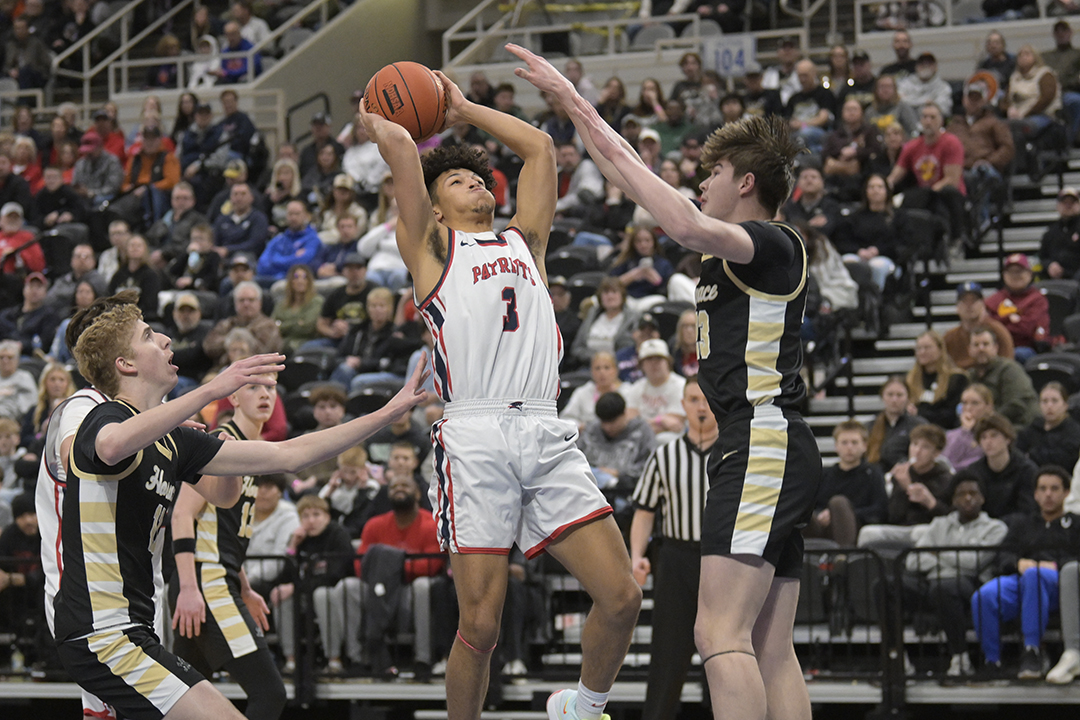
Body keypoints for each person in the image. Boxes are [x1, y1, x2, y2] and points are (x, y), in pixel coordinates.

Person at [511, 44, 821, 720]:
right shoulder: (735, 248)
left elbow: (678, 220)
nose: (701, 181)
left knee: (719, 634)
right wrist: (583, 118)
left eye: (714, 172)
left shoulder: (772, 243)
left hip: (762, 438)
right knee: (769, 646)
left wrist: (577, 102)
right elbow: (629, 171)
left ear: (746, 182)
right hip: (769, 444)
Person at [359, 63, 641, 720]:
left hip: (544, 428)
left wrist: (461, 109)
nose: (477, 183)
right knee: (481, 625)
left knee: (622, 597)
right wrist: (379, 114)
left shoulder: (525, 242)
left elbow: (539, 148)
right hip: (476, 433)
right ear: (433, 207)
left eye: (480, 178)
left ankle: (583, 709)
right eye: (458, 180)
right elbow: (399, 145)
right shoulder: (430, 249)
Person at [52, 289, 428, 719]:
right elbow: (112, 446)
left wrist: (387, 413)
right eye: (149, 336)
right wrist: (211, 390)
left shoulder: (175, 441)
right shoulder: (103, 417)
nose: (166, 340)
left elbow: (287, 457)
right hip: (102, 631)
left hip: (134, 627)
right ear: (126, 364)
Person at [169, 372, 287, 720]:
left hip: (217, 576)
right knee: (270, 694)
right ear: (233, 398)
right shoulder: (221, 442)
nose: (264, 394)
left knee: (185, 702)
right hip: (205, 582)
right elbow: (182, 515)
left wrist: (244, 586)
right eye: (253, 387)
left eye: (270, 388)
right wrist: (189, 588)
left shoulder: (251, 450)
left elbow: (225, 533)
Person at [629, 376, 716, 720]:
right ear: (682, 405)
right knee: (668, 650)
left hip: (724, 560)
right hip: (677, 559)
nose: (701, 406)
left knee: (726, 648)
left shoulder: (736, 454)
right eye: (693, 399)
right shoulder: (664, 455)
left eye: (706, 399)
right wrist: (636, 556)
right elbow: (644, 512)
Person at [971, 465, 1080, 679]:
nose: (1048, 494)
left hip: (1060, 583)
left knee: (1034, 576)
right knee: (984, 596)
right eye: (1043, 489)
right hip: (1022, 579)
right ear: (1035, 494)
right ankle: (992, 660)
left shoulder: (1076, 524)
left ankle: (1032, 650)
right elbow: (1003, 555)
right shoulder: (1022, 522)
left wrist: (1055, 565)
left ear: (1066, 493)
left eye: (1054, 489)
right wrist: (1017, 562)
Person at [902, 473, 1008, 677]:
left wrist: (936, 552)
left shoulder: (995, 528)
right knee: (885, 585)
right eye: (961, 494)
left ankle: (961, 657)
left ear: (982, 498)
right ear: (953, 500)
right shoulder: (938, 524)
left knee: (944, 586)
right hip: (931, 582)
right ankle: (896, 656)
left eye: (973, 493)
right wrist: (953, 557)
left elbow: (973, 564)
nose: (968, 498)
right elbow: (913, 561)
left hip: (970, 585)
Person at [857, 423, 953, 549]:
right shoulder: (902, 473)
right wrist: (902, 488)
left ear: (936, 453)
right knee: (868, 533)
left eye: (925, 447)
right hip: (900, 528)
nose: (917, 451)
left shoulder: (944, 477)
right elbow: (894, 515)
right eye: (914, 444)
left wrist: (930, 502)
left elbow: (948, 517)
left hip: (927, 527)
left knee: (920, 532)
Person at [887, 103, 967, 243]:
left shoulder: (951, 143)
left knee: (947, 193)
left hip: (946, 196)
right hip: (925, 195)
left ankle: (955, 240)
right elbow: (895, 175)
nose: (928, 121)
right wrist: (884, 188)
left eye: (932, 117)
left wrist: (927, 193)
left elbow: (952, 180)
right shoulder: (912, 146)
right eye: (924, 117)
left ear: (941, 121)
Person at [804, 420, 888, 546]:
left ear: (865, 446)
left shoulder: (873, 473)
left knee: (838, 503)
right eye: (844, 442)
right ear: (836, 446)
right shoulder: (824, 474)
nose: (849, 447)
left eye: (854, 442)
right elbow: (813, 504)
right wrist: (821, 514)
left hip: (858, 526)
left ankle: (844, 554)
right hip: (823, 526)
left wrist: (841, 514)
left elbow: (880, 509)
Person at [966, 412, 1039, 524]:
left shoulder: (1027, 470)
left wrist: (995, 526)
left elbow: (1027, 511)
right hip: (981, 529)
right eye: (983, 437)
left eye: (994, 435)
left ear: (1007, 439)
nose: (988, 442)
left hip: (1015, 528)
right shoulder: (974, 471)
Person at [967, 327, 1039, 428]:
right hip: (985, 428)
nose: (981, 349)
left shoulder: (1009, 369)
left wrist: (986, 421)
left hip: (1020, 425)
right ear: (969, 350)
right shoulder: (970, 376)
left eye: (985, 344)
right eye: (976, 345)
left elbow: (1016, 405)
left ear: (995, 348)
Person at [984, 253, 1049, 362]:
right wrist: (1010, 318)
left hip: (1025, 349)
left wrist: (1001, 321)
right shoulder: (994, 299)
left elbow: (1028, 329)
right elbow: (987, 326)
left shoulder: (1038, 300)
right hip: (996, 348)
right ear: (1004, 275)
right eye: (1011, 272)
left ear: (1030, 274)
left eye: (1019, 271)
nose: (1015, 275)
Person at [944, 281, 1015, 369]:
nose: (969, 305)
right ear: (957, 307)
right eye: (964, 301)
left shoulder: (998, 332)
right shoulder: (949, 338)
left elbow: (1009, 366)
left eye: (974, 300)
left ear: (983, 304)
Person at [907, 330, 967, 429]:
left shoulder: (956, 379)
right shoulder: (910, 380)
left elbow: (952, 414)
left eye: (927, 347)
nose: (922, 352)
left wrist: (920, 413)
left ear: (940, 349)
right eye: (919, 348)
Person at [1017, 382, 1080, 475]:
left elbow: (1064, 460)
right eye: (1045, 401)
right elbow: (1018, 453)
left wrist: (1032, 455)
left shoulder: (1074, 431)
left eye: (1055, 401)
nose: (1049, 406)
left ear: (1065, 405)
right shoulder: (1032, 428)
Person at [866, 376, 927, 473]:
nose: (894, 399)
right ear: (882, 397)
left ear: (908, 398)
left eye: (899, 395)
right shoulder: (870, 426)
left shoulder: (918, 425)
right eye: (890, 394)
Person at [561, 351, 625, 431]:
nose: (602, 372)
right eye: (597, 368)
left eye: (607, 368)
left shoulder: (627, 391)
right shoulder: (582, 392)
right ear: (591, 372)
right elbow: (566, 419)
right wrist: (580, 426)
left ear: (616, 370)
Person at [0, 272, 60, 356]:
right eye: (31, 286)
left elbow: (44, 343)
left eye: (39, 287)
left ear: (45, 292)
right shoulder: (7, 315)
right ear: (24, 289)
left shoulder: (49, 316)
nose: (34, 291)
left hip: (29, 357)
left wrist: (22, 346)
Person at [1042, 20, 1080, 147]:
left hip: (1068, 91)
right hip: (1048, 93)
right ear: (1054, 35)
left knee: (1075, 101)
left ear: (1070, 33)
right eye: (1057, 31)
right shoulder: (1045, 56)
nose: (1061, 34)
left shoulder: (1077, 54)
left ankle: (1070, 140)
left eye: (1064, 30)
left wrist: (1066, 82)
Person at [942, 383, 996, 471]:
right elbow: (947, 463)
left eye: (975, 403)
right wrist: (965, 431)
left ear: (988, 407)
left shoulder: (993, 435)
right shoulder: (951, 435)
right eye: (964, 403)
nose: (968, 408)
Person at [1040, 187, 1080, 280]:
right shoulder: (1051, 232)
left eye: (1072, 203)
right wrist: (1049, 265)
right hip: (1055, 279)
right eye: (1065, 203)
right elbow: (1042, 256)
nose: (1068, 206)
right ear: (1058, 206)